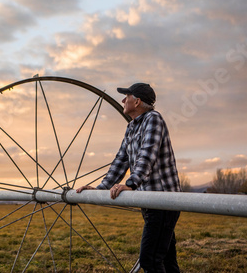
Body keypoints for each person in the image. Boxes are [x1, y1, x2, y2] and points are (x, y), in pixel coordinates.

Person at [76, 82, 181, 273]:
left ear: (137, 101)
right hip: (149, 201)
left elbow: (147, 155)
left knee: (149, 260)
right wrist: (101, 188)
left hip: (163, 201)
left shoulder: (153, 119)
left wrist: (131, 184)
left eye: (127, 96)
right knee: (165, 258)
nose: (123, 100)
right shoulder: (132, 127)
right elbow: (121, 160)